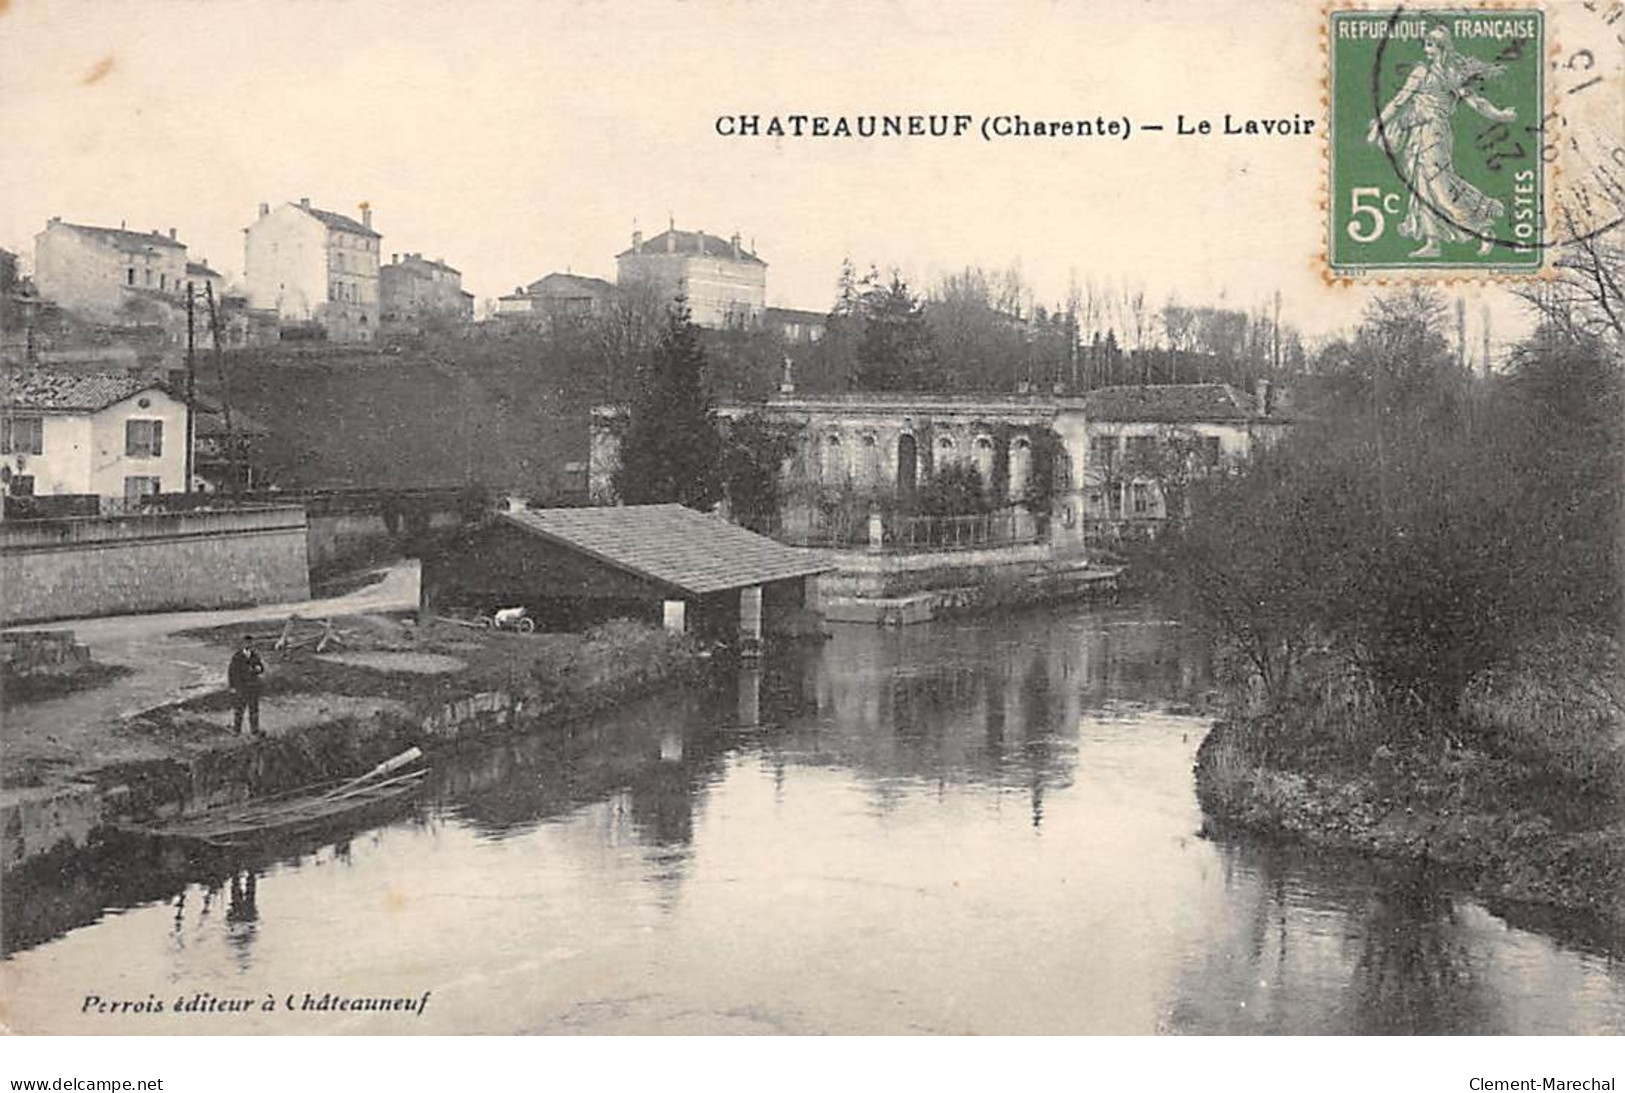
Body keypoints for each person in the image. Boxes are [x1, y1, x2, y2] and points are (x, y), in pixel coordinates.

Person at [1365, 25, 1517, 258]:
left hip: (1437, 134)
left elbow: (1475, 101)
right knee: (1421, 187)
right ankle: (1433, 242)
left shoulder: (1452, 74)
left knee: (1440, 186)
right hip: (1417, 133)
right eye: (1426, 44)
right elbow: (1399, 101)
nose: (1427, 49)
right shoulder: (1420, 72)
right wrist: (1379, 123)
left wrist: (1500, 115)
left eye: (1431, 45)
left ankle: (1483, 229)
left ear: (1442, 47)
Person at [228, 634, 266, 736]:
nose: (248, 644)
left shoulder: (255, 655)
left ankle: (254, 731)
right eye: (246, 643)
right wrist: (233, 687)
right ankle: (236, 730)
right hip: (241, 687)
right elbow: (231, 672)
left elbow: (261, 667)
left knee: (254, 710)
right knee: (239, 710)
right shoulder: (237, 657)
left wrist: (259, 669)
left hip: (253, 687)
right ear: (242, 644)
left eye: (250, 643)